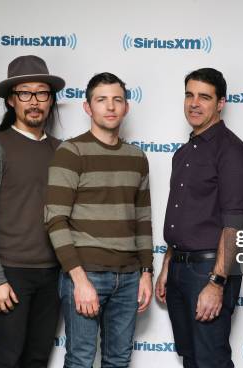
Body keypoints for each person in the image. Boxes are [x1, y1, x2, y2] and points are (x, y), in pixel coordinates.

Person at [44, 72, 153, 367]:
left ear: (126, 107)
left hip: (129, 278)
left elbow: (142, 218)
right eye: (102, 100)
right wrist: (79, 280)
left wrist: (146, 272)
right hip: (86, 274)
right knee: (80, 359)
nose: (111, 107)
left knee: (118, 360)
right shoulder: (71, 152)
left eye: (118, 100)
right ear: (88, 108)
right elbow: (55, 220)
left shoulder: (137, 157)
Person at [0, 55, 65, 368]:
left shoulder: (61, 150)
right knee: (8, 358)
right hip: (11, 273)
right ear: (11, 100)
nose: (34, 101)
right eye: (25, 93)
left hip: (52, 274)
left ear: (50, 100)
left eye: (41, 93)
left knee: (38, 359)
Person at [155, 68, 243, 368]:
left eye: (204, 97)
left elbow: (235, 224)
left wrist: (217, 282)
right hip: (180, 269)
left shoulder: (231, 151)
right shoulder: (183, 153)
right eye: (189, 95)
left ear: (220, 103)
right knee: (190, 358)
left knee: (211, 360)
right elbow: (183, 215)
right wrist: (167, 264)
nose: (194, 103)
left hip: (209, 270)